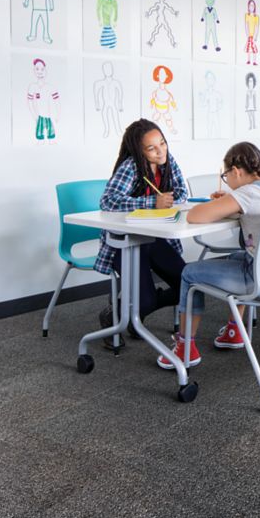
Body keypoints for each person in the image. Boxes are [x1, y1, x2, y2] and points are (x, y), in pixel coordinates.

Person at [157, 141, 260, 369]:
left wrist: (228, 200)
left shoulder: (248, 194)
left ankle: (185, 348)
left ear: (235, 171)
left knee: (189, 273)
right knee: (237, 258)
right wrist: (228, 200)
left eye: (226, 176)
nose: (228, 181)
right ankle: (235, 331)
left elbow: (194, 216)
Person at [94, 118, 188, 347]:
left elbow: (183, 192)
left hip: (154, 238)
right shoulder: (130, 166)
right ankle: (117, 314)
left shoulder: (168, 162)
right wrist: (150, 202)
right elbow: (108, 201)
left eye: (163, 144)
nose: (160, 151)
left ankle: (130, 309)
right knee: (143, 302)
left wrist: (172, 198)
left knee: (189, 283)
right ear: (139, 150)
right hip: (125, 242)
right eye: (151, 148)